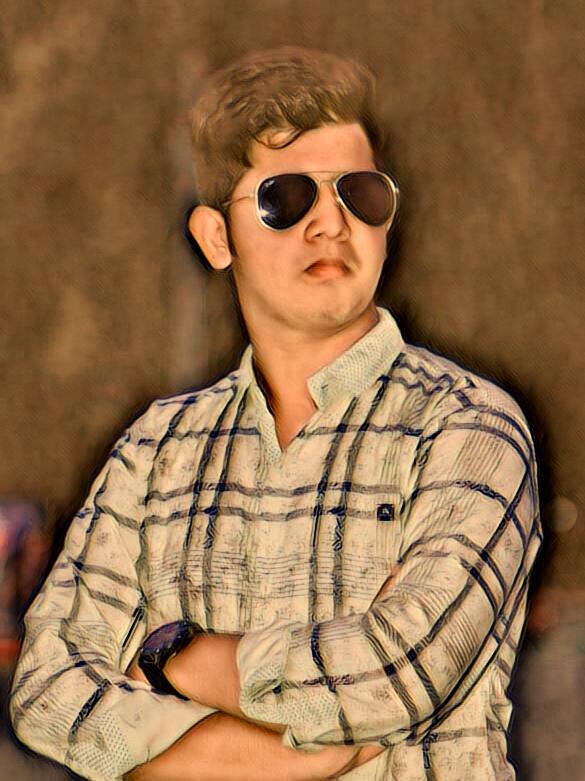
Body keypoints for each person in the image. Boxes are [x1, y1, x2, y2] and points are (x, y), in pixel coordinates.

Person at [10, 47, 541, 780]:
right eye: (285, 198)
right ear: (216, 237)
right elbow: (46, 687)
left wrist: (175, 657)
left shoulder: (469, 427)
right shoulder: (155, 449)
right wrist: (288, 755)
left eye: (361, 193)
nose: (331, 223)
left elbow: (396, 674)